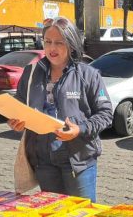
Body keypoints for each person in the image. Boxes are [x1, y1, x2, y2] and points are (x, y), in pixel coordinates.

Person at [7, 17, 113, 201]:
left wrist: (80, 129)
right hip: (43, 162)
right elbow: (19, 107)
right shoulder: (31, 73)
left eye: (59, 43)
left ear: (71, 45)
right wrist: (15, 121)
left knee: (83, 216)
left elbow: (105, 113)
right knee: (53, 215)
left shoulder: (88, 75)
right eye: (47, 42)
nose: (52, 48)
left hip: (78, 160)